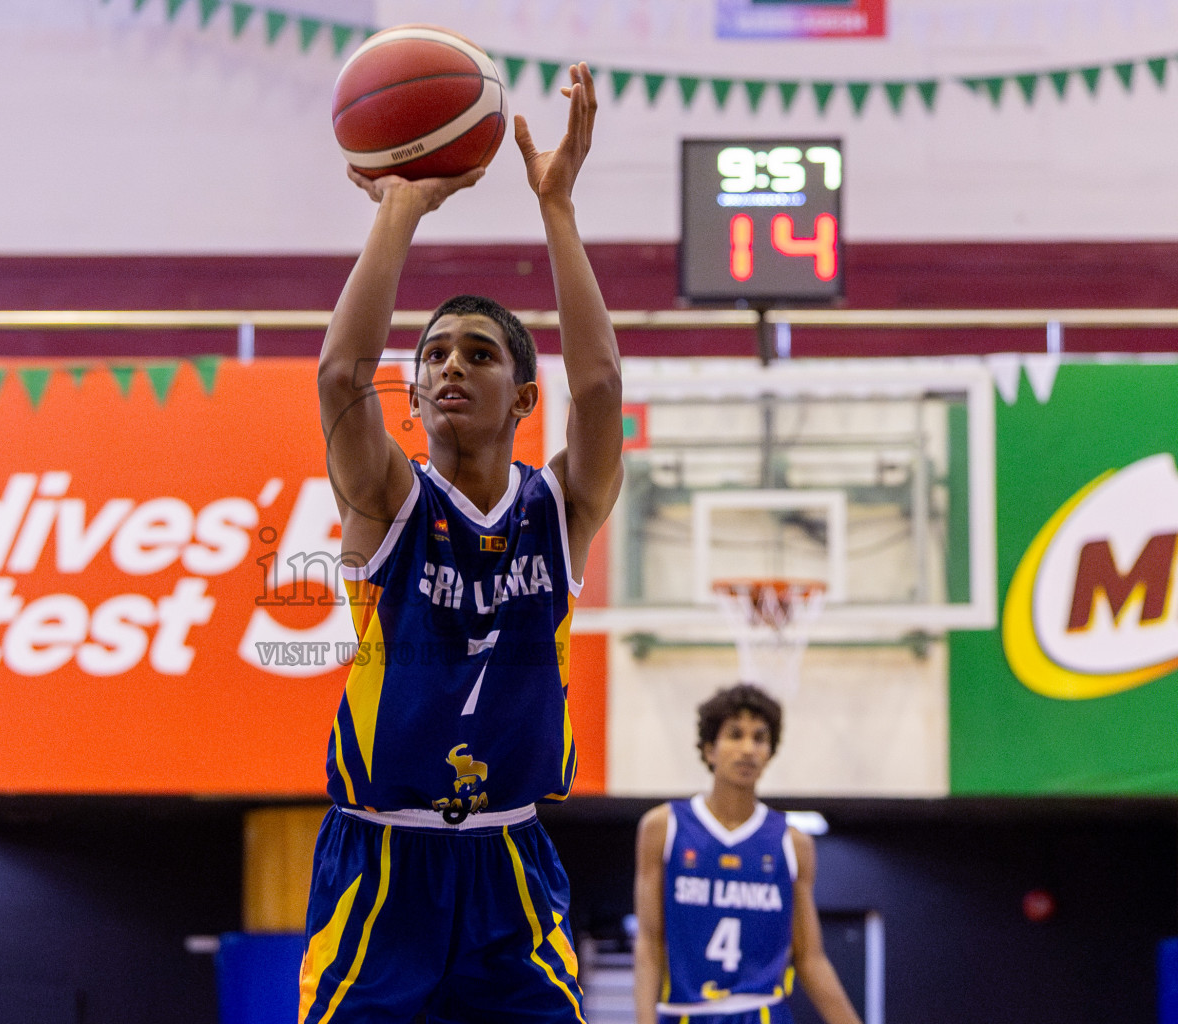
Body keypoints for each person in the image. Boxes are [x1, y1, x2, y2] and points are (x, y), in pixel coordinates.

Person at [298, 62, 621, 1024]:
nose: (448, 367)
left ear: (524, 398)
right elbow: (338, 375)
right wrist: (399, 208)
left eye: (477, 354)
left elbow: (599, 389)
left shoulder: (559, 505)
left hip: (510, 863)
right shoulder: (387, 499)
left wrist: (555, 206)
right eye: (433, 353)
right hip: (382, 862)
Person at [632, 685, 863, 1024]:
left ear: (770, 752)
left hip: (763, 1014)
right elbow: (649, 945)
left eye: (759, 738)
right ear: (710, 749)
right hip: (685, 1012)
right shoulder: (663, 827)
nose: (748, 749)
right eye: (735, 735)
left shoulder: (792, 842)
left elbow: (810, 958)